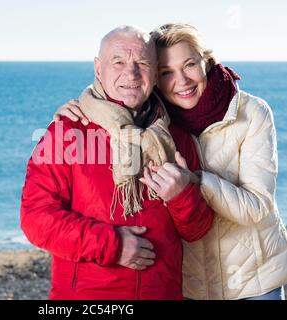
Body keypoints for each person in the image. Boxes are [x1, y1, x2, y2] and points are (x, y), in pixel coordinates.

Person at [54, 23, 287, 300]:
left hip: (254, 278)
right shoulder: (155, 121)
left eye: (189, 65)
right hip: (192, 283)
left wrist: (195, 179)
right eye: (166, 72)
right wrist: (83, 106)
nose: (182, 81)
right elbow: (116, 90)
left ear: (207, 62)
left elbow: (256, 207)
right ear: (155, 77)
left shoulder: (251, 112)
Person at [21, 25, 214, 300]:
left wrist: (181, 196)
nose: (131, 73)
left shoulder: (177, 138)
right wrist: (113, 245)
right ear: (98, 69)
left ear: (155, 71)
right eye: (118, 62)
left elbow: (198, 230)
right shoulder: (66, 131)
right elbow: (36, 218)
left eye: (142, 63)